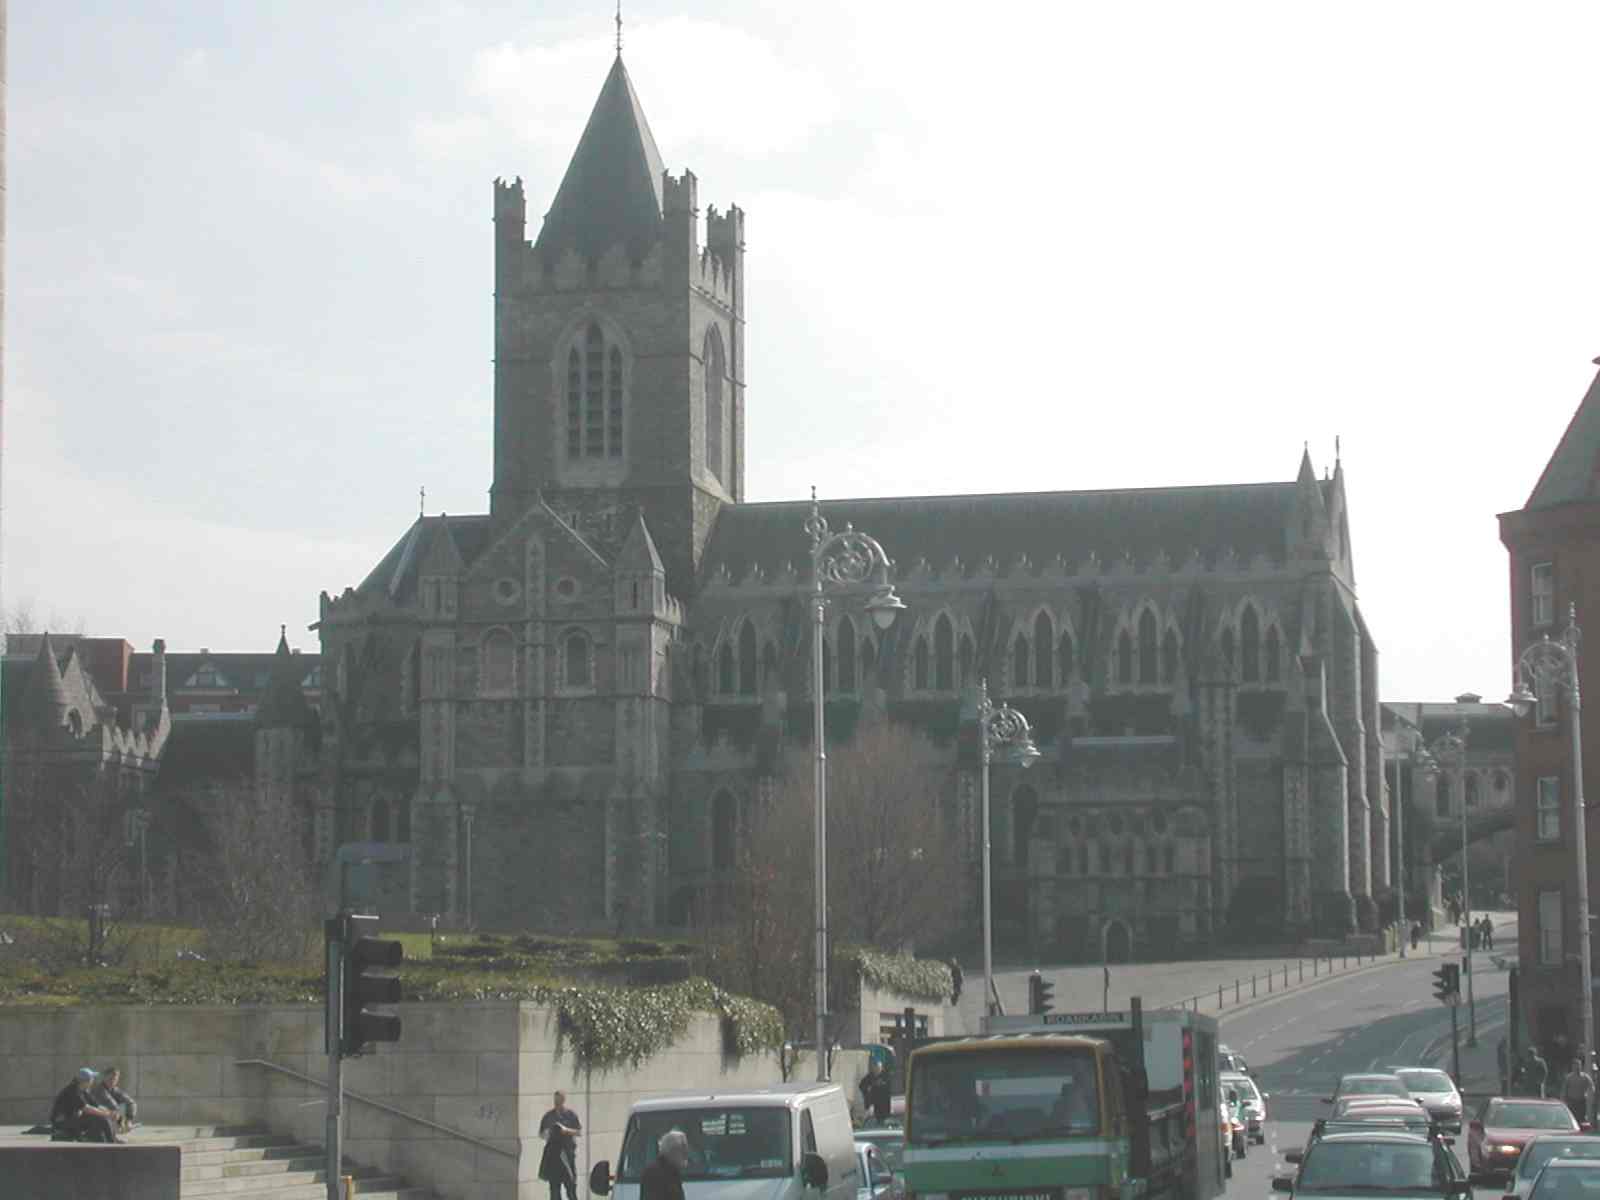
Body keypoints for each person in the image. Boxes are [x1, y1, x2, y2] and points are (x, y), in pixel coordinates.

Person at [49, 1067, 119, 1143]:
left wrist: (110, 1112)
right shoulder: (72, 1091)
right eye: (92, 1079)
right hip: (62, 1124)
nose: (93, 1081)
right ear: (86, 1081)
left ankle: (107, 1142)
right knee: (101, 1119)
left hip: (73, 1120)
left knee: (101, 1120)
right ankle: (112, 1144)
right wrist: (107, 1114)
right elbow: (87, 1108)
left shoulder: (83, 1090)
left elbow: (96, 1105)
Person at [538, 1089, 583, 1200]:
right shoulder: (548, 1116)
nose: (557, 1102)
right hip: (553, 1156)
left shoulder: (571, 1115)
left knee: (571, 1188)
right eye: (555, 1100)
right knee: (554, 1190)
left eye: (559, 1100)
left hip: (567, 1155)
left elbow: (579, 1132)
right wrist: (548, 1132)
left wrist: (566, 1130)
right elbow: (541, 1134)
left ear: (564, 1100)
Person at [642, 1129, 689, 1200]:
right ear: (672, 1151)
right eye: (683, 1151)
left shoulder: (671, 1171)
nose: (686, 1156)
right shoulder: (655, 1173)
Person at [90, 1066, 137, 1132]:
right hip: (93, 1119)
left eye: (115, 1079)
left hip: (106, 1118)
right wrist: (121, 1123)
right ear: (104, 1078)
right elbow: (112, 1106)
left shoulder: (115, 1090)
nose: (112, 1081)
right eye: (110, 1079)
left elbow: (131, 1103)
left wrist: (129, 1120)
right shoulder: (99, 1090)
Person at [1564, 1054, 1595, 1125]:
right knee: (1572, 1117)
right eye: (1575, 1065)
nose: (1577, 1067)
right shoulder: (1569, 1077)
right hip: (1571, 1100)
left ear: (1581, 1066)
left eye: (1578, 1065)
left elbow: (1591, 1086)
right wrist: (1564, 1099)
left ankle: (1581, 1130)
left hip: (1581, 1100)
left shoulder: (1585, 1077)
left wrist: (1590, 1096)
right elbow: (1565, 1089)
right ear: (1572, 1067)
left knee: (1581, 1117)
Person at [859, 1060, 891, 1124]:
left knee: (883, 1120)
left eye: (878, 1068)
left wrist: (880, 1084)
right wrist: (867, 1091)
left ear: (881, 1068)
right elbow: (861, 1086)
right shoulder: (870, 1077)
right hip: (873, 1104)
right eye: (875, 1068)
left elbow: (889, 1087)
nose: (876, 1070)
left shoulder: (886, 1076)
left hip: (884, 1105)